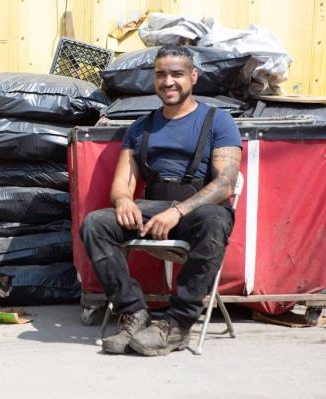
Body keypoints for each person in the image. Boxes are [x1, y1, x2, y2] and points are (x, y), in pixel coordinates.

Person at [79, 45, 242, 356]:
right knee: (95, 224)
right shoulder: (141, 126)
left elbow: (225, 183)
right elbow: (121, 184)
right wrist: (124, 201)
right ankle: (133, 312)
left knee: (215, 219)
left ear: (193, 77)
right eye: (161, 75)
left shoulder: (218, 121)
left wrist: (178, 212)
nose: (169, 82)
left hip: (198, 211)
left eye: (177, 74)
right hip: (151, 209)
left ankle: (177, 325)